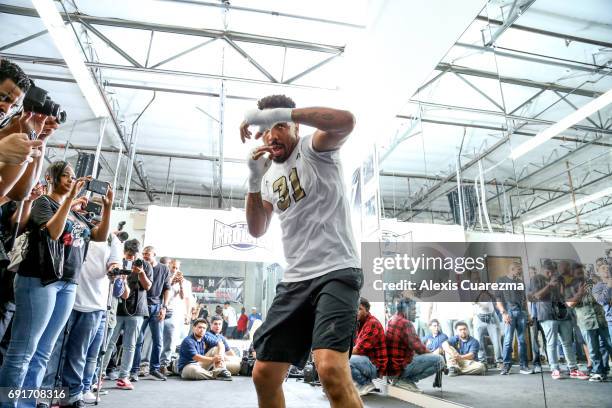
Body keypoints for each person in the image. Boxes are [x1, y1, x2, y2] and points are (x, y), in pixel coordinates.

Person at [241, 95, 362, 407]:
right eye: (266, 129)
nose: (272, 135)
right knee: (264, 373)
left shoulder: (315, 148)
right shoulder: (268, 176)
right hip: (296, 280)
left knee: (331, 369)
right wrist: (254, 181)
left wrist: (278, 114)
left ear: (295, 126)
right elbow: (256, 228)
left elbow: (347, 120)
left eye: (279, 125)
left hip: (336, 271)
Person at [0, 160, 112, 408]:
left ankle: (27, 403)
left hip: (68, 283)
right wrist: (70, 198)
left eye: (73, 178)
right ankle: (8, 403)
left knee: (44, 351)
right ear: (52, 178)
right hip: (39, 279)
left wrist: (108, 208)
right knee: (24, 349)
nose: (72, 180)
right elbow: (53, 232)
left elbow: (100, 236)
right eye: (67, 176)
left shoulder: (73, 212)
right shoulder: (44, 203)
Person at [40, 228, 122, 407]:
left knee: (78, 354)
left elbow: (114, 263)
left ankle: (72, 395)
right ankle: (45, 394)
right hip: (65, 298)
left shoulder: (112, 239)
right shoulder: (76, 228)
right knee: (53, 351)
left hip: (93, 304)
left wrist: (114, 270)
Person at [100, 239, 153, 391]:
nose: (130, 259)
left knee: (130, 345)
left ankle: (124, 376)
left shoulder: (146, 265)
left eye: (133, 256)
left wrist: (141, 272)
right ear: (124, 252)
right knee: (109, 342)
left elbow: (148, 286)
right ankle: (100, 375)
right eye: (128, 255)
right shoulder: (117, 262)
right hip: (117, 308)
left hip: (137, 309)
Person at [386, 300, 444, 393]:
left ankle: (401, 380)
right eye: (413, 310)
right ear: (406, 310)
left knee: (423, 356)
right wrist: (433, 354)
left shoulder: (392, 319)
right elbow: (420, 348)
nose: (415, 312)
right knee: (439, 360)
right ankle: (404, 380)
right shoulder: (405, 323)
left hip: (391, 368)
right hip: (399, 369)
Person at [131, 246, 171, 381]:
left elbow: (167, 289)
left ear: (155, 254)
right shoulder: (140, 266)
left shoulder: (164, 268)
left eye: (147, 254)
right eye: (143, 254)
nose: (145, 256)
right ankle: (134, 370)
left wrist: (164, 307)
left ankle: (154, 368)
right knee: (138, 340)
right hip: (140, 306)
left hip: (156, 307)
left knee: (158, 340)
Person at [567, 269, 612, 382]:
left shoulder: (595, 285)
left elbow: (604, 299)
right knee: (593, 349)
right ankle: (598, 372)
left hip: (601, 321)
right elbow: (570, 304)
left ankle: (604, 369)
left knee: (609, 345)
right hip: (586, 322)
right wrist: (580, 293)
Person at [495, 261, 530, 375]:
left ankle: (524, 366)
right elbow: (498, 299)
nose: (520, 272)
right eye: (519, 269)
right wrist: (503, 313)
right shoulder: (501, 280)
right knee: (508, 340)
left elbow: (524, 300)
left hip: (520, 313)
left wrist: (527, 314)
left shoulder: (520, 282)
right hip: (508, 313)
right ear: (512, 269)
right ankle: (506, 366)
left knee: (522, 341)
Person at [349, 298, 387, 397]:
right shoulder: (359, 324)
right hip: (365, 361)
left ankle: (365, 383)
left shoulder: (372, 323)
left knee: (345, 359)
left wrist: (338, 353)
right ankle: (355, 384)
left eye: (360, 309)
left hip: (376, 366)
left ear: (367, 311)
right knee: (342, 358)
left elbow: (358, 350)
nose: (356, 311)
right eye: (355, 308)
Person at [160, 259, 189, 375]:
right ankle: (147, 365)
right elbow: (162, 290)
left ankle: (164, 365)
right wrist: (171, 281)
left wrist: (181, 285)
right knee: (156, 339)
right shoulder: (163, 276)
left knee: (170, 339)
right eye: (173, 267)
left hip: (171, 312)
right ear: (169, 266)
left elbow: (182, 297)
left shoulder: (180, 280)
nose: (175, 270)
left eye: (177, 268)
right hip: (160, 309)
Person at [593, 259, 612, 379]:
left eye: (607, 267)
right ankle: (603, 370)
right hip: (609, 320)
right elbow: (601, 300)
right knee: (606, 346)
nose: (606, 269)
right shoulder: (597, 287)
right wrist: (609, 286)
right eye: (603, 268)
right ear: (598, 272)